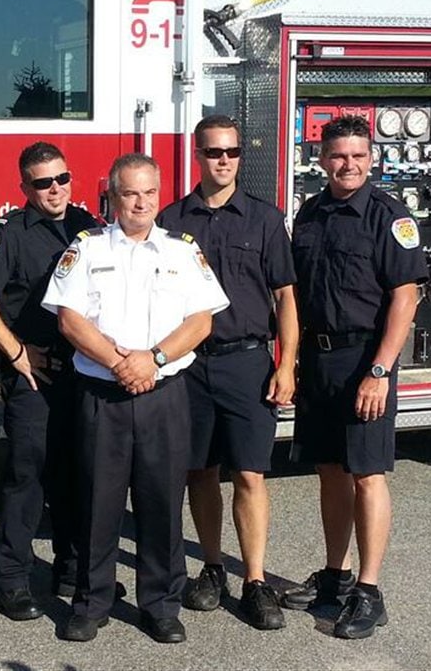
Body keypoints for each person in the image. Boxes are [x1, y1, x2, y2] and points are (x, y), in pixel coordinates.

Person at [43, 153, 229, 644]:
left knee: (161, 502)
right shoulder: (86, 250)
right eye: (130, 193)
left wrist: (154, 361)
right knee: (96, 503)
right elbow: (70, 319)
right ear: (112, 196)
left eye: (149, 192)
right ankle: (92, 601)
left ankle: (161, 604)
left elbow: (201, 320)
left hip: (164, 393)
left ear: (159, 193)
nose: (140, 202)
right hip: (102, 393)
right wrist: (120, 363)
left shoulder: (181, 252)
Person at [283, 114, 427, 639]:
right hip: (319, 361)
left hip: (366, 359)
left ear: (373, 160)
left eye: (359, 156)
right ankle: (335, 578)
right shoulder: (311, 213)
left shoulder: (389, 216)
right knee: (329, 471)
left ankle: (369, 592)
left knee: (367, 475)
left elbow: (405, 297)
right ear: (321, 159)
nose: (349, 165)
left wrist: (381, 371)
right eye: (339, 155)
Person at [156, 115, 299, 630]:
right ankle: (212, 569)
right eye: (214, 152)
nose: (223, 161)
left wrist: (286, 364)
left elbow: (285, 296)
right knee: (199, 472)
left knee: (251, 474)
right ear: (197, 154)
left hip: (247, 362)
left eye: (232, 153)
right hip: (190, 366)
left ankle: (255, 581)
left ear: (241, 156)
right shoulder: (171, 220)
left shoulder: (264, 219)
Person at [0, 142, 100, 621]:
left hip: (84, 372)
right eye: (43, 182)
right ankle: (12, 578)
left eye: (61, 178)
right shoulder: (10, 234)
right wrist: (15, 351)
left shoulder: (89, 228)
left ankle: (71, 568)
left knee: (77, 473)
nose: (55, 189)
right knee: (27, 477)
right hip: (35, 375)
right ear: (24, 188)